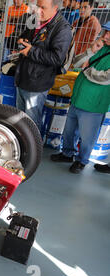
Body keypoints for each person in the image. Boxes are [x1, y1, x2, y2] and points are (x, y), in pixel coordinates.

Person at [51, 21, 110, 173]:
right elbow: (76, 63)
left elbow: (105, 77)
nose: (107, 36)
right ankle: (67, 153)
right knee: (69, 131)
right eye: (106, 32)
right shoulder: (100, 47)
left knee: (87, 136)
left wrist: (87, 69)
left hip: (94, 104)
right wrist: (91, 50)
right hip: (78, 98)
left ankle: (82, 161)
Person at [14, 0, 72, 132]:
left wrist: (31, 51)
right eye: (37, 6)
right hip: (22, 78)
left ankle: (33, 151)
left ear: (55, 8)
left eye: (43, 8)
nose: (38, 10)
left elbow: (57, 58)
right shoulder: (36, 20)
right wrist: (22, 41)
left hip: (37, 84)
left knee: (31, 125)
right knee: (19, 122)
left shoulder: (62, 28)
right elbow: (25, 37)